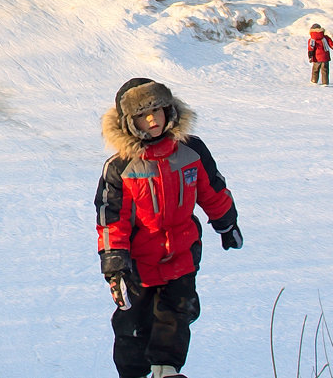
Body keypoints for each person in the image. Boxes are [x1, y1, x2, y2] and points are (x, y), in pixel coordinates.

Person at [96, 78, 241, 378]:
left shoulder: (190, 150)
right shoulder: (120, 167)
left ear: (170, 111)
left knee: (176, 317)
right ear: (128, 122)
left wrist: (226, 223)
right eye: (142, 115)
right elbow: (112, 221)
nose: (152, 119)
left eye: (158, 110)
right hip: (139, 264)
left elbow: (212, 190)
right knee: (134, 327)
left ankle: (167, 371)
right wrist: (115, 267)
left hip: (182, 255)